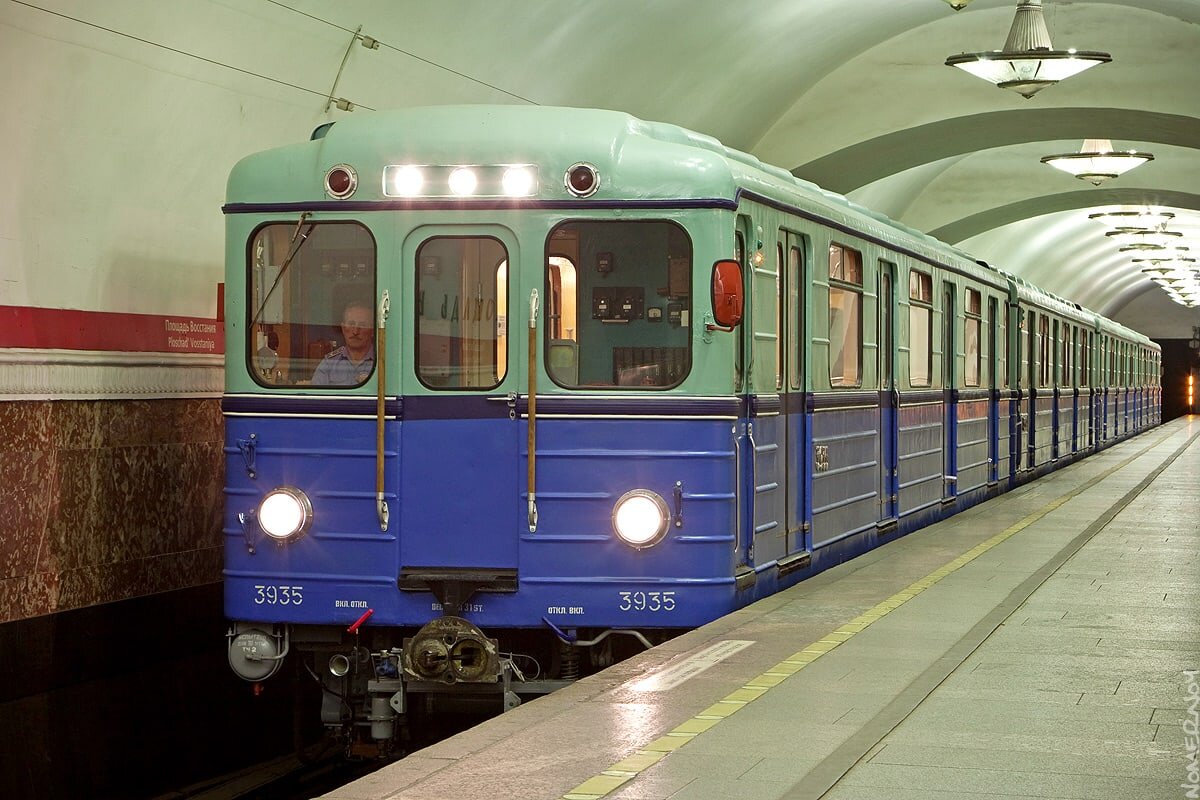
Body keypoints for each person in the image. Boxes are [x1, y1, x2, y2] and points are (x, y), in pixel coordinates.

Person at [312, 301, 375, 385]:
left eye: (362, 325)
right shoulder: (329, 364)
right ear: (343, 328)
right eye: (351, 324)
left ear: (372, 331)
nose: (355, 331)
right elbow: (316, 396)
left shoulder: (381, 362)